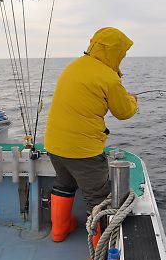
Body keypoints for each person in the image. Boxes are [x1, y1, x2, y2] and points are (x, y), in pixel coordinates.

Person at [44, 27, 138, 245]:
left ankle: (59, 230)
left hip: (54, 144)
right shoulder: (109, 77)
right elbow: (124, 112)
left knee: (63, 184)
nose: (122, 57)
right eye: (121, 53)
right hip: (83, 150)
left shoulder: (73, 66)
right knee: (97, 197)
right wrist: (133, 100)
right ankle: (99, 248)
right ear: (114, 52)